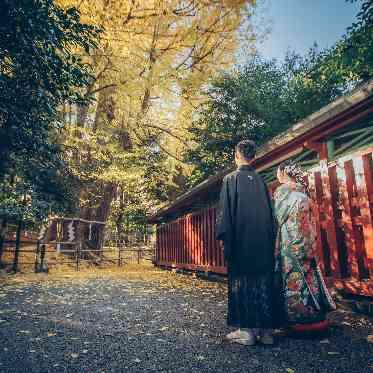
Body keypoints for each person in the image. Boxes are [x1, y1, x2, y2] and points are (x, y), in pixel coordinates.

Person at [216, 140, 277, 346]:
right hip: (263, 243)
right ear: (254, 157)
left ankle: (246, 332)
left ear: (236, 156)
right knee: (263, 283)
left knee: (242, 284)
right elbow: (271, 215)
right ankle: (266, 332)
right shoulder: (261, 181)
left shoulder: (230, 179)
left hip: (241, 242)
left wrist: (225, 240)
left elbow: (225, 215)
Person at [274, 161, 336, 332]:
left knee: (292, 279)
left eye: (278, 171)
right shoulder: (303, 192)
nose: (277, 174)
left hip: (290, 241)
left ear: (284, 173)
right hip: (306, 240)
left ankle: (296, 317)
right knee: (308, 277)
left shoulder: (283, 191)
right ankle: (314, 314)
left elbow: (278, 218)